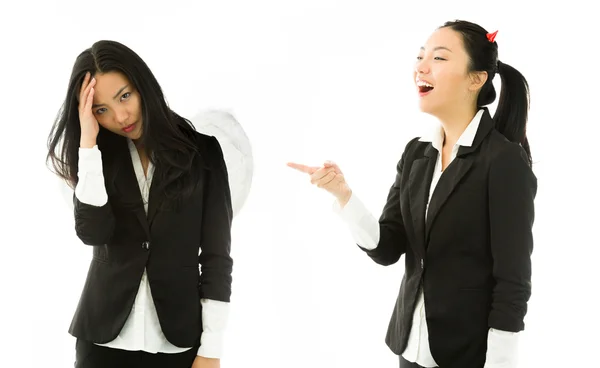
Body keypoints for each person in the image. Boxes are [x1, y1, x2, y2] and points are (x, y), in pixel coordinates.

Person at [288, 20, 537, 368]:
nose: (421, 67)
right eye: (420, 57)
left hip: (469, 356)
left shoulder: (503, 160)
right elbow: (388, 247)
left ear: (476, 79)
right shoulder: (416, 154)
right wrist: (344, 196)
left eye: (439, 58)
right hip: (410, 347)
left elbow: (513, 282)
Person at [47, 40, 233, 368]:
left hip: (179, 343)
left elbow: (217, 257)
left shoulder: (203, 153)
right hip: (102, 344)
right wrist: (88, 143)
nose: (119, 116)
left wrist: (212, 347)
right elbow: (93, 232)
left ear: (143, 85)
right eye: (100, 109)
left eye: (124, 96)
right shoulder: (97, 158)